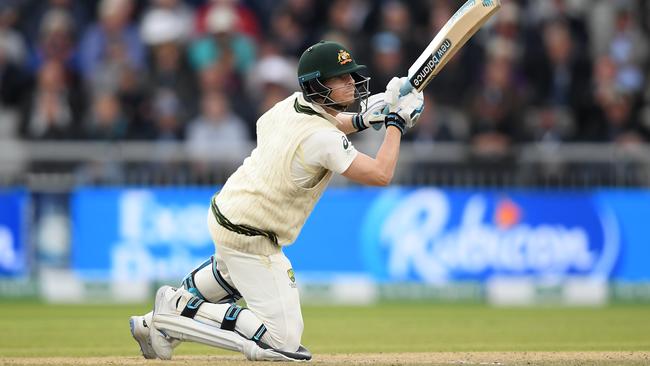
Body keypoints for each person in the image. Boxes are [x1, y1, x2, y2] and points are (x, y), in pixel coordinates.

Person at [129, 40, 423, 361]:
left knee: (231, 273)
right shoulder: (321, 139)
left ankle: (150, 324)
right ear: (317, 85)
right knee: (282, 341)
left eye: (351, 75)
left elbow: (329, 123)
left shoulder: (289, 105)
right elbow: (380, 174)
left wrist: (366, 120)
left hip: (230, 211)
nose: (351, 82)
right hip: (253, 234)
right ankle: (176, 307)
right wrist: (395, 123)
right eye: (341, 78)